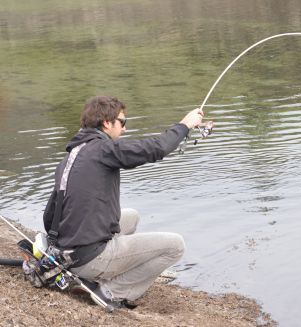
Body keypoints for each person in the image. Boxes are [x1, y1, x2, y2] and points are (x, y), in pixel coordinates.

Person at [42, 96, 204, 309]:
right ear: (107, 123)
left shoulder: (72, 155)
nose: (125, 129)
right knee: (175, 246)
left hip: (65, 253)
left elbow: (49, 217)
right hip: (87, 258)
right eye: (123, 122)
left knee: (131, 216)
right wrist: (184, 125)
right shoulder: (103, 150)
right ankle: (111, 292)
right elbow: (155, 148)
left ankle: (99, 268)